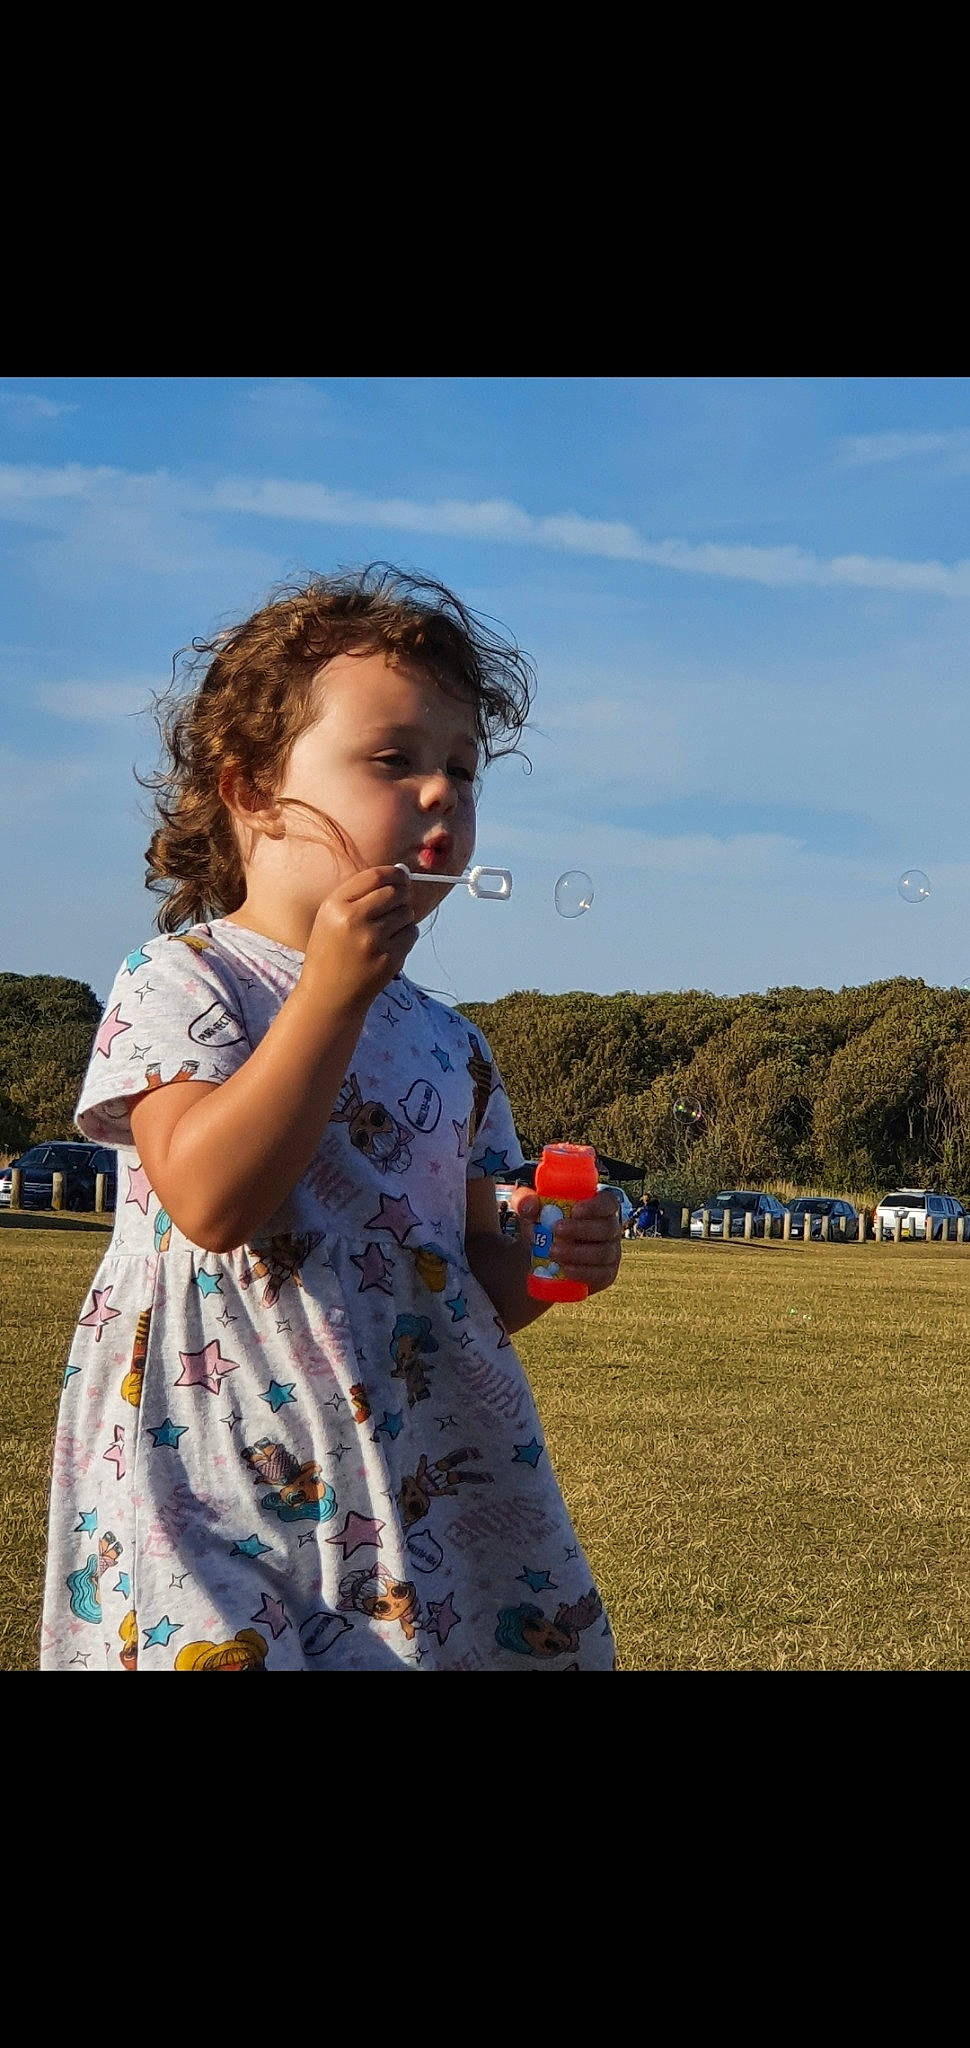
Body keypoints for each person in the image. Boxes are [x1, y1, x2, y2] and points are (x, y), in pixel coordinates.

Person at [40, 564, 621, 1672]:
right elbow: (210, 1200)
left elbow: (464, 1284)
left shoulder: (452, 1044)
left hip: (409, 1471)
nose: (441, 791)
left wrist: (554, 1259)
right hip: (212, 1464)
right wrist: (330, 996)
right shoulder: (184, 979)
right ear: (252, 792)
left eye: (461, 767)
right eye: (394, 760)